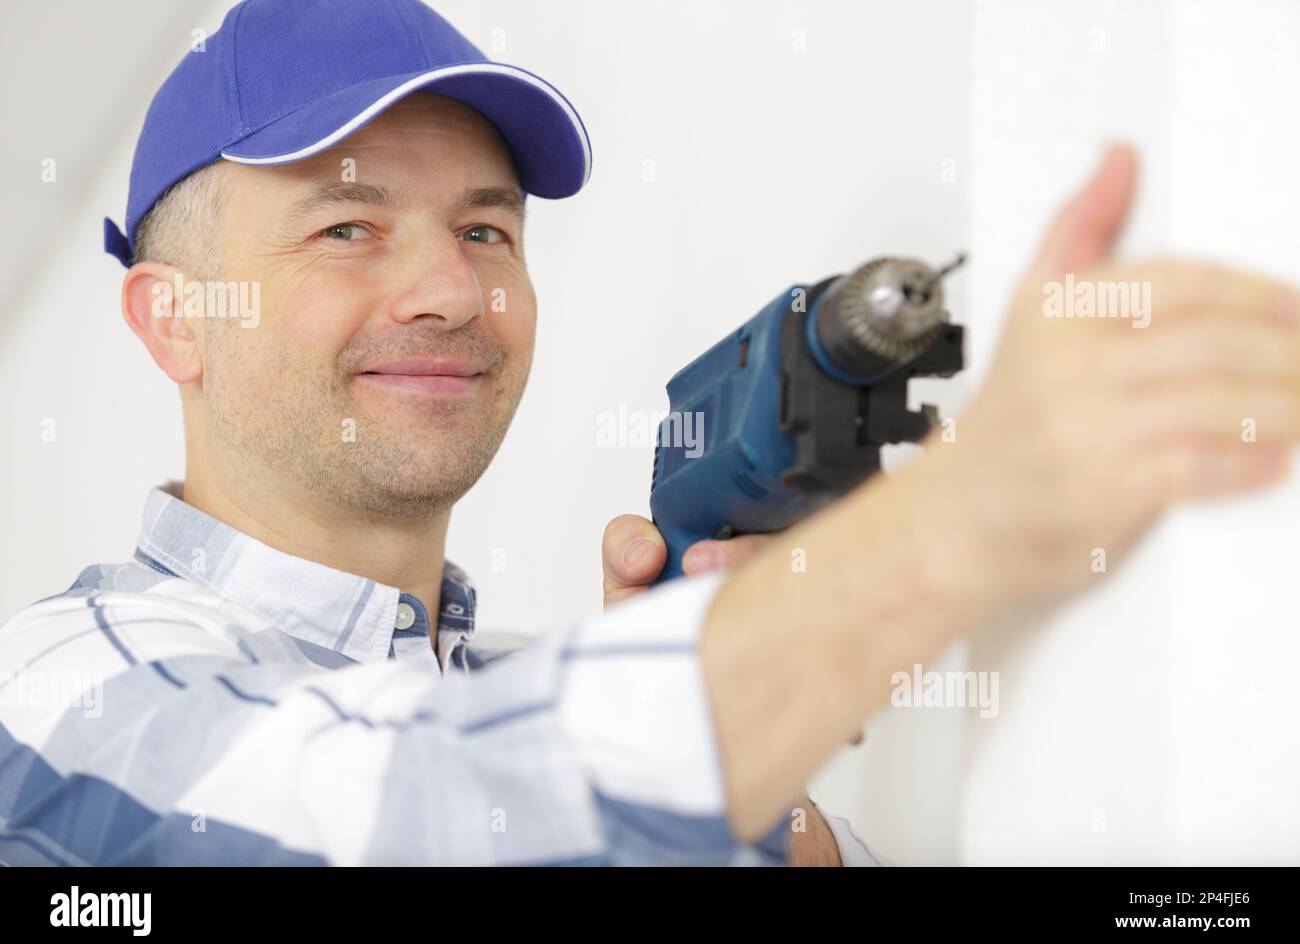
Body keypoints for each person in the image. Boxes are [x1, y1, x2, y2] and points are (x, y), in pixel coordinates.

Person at [2, 0, 1297, 866]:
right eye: (347, 228)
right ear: (173, 322)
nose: (454, 290)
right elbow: (413, 818)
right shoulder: (61, 689)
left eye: (485, 227)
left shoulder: (512, 697)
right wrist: (977, 512)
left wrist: (751, 768)